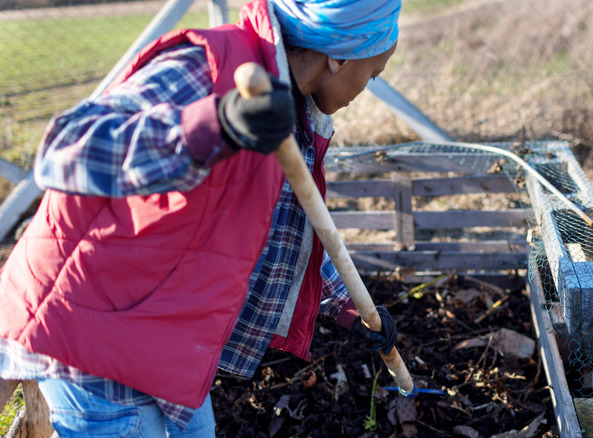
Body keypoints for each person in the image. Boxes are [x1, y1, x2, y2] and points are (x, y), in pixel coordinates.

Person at [0, 0, 402, 436]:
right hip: (94, 327)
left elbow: (283, 236)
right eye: (373, 73)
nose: (367, 88)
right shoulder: (209, 67)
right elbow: (68, 149)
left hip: (160, 334)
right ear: (338, 57)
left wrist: (350, 307)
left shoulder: (293, 114)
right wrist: (214, 126)